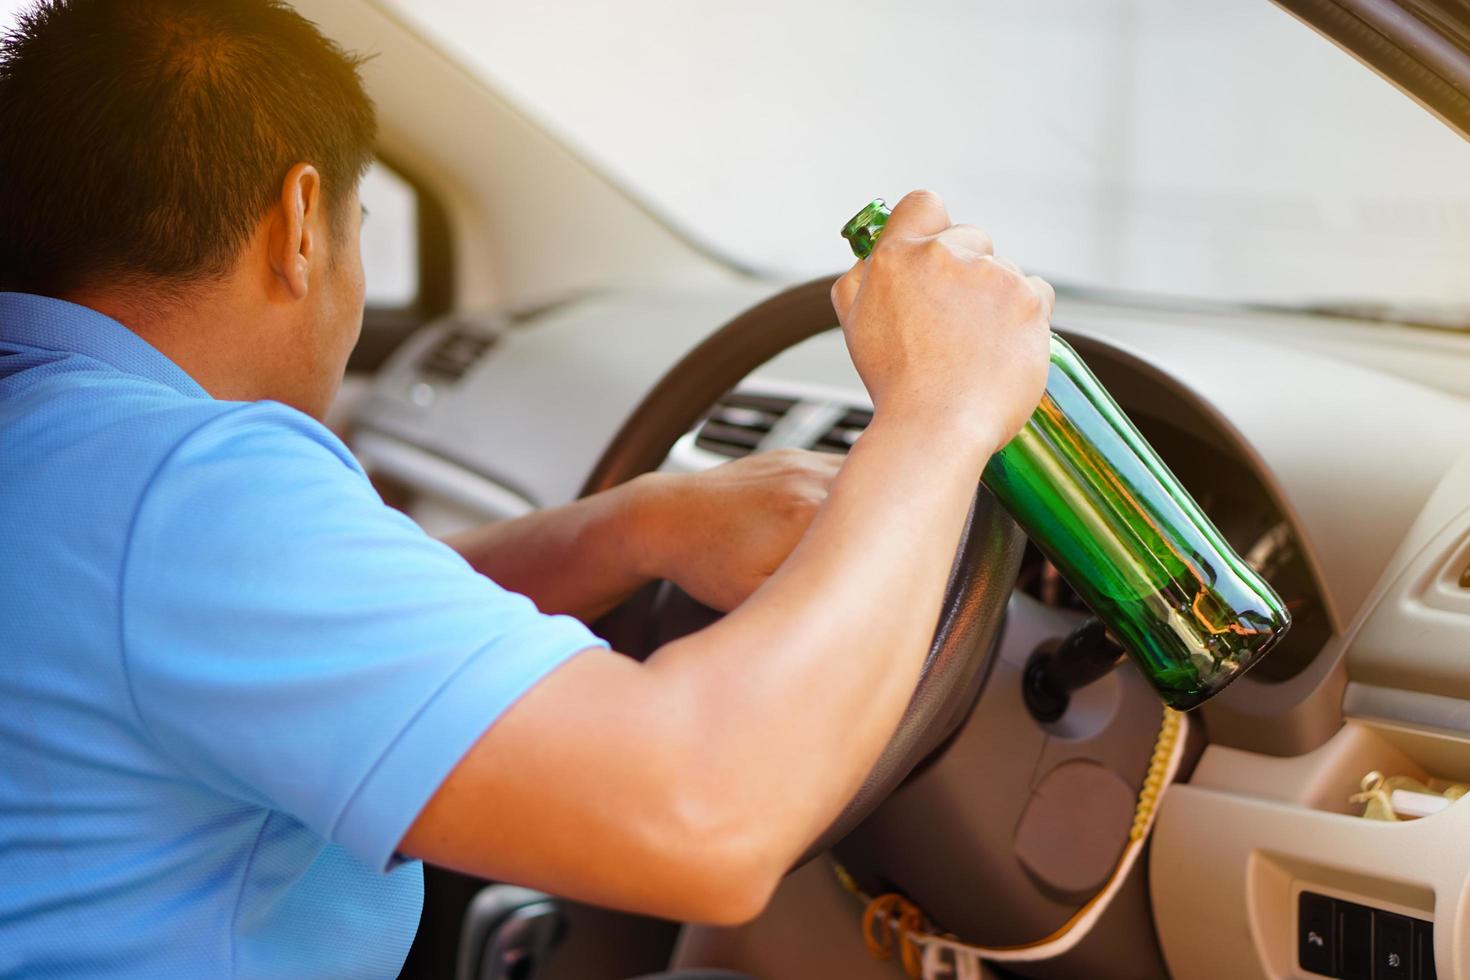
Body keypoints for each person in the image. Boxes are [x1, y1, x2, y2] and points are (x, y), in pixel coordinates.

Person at [0, 0, 1053, 976]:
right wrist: (938, 415)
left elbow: (270, 636)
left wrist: (631, 527)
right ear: (302, 222)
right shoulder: (187, 487)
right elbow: (705, 814)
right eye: (363, 232)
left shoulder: (62, 451)